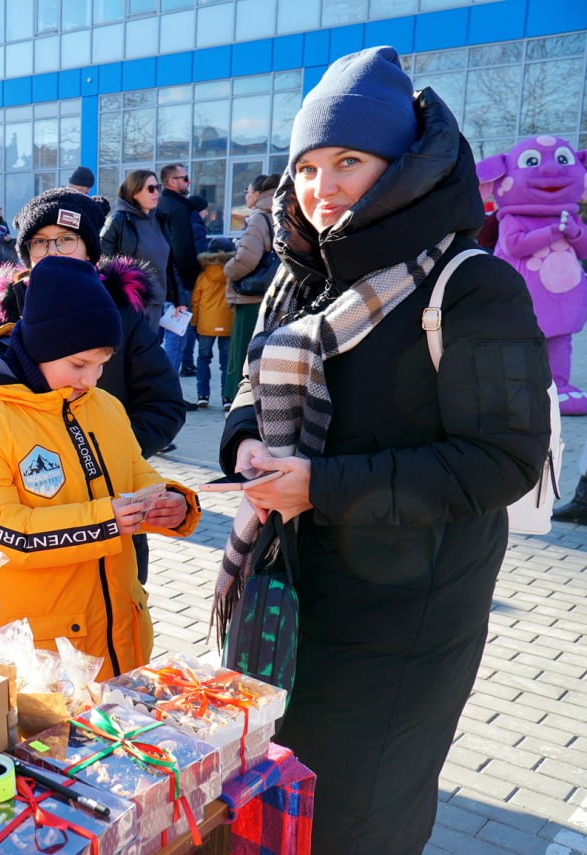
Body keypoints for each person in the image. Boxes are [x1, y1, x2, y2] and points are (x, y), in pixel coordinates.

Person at [215, 46, 551, 853]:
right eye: (306, 167)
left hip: (407, 622)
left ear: (404, 164)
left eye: (349, 162)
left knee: (360, 814)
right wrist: (245, 442)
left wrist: (321, 488)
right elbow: (248, 392)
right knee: (272, 796)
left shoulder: (471, 287)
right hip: (292, 592)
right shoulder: (300, 276)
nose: (321, 189)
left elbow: (501, 460)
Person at [0, 255, 200, 679]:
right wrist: (104, 522)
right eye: (79, 365)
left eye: (102, 364)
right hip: (39, 650)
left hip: (119, 634)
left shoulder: (106, 407)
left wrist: (170, 503)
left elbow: (136, 472)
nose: (91, 379)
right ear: (39, 349)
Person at [0, 186, 188, 581]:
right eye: (40, 243)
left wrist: (100, 455)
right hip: (30, 527)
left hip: (113, 513)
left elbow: (165, 404)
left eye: (66, 239)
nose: (53, 252)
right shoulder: (7, 310)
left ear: (89, 249)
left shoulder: (118, 312)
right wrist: (1, 451)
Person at [101, 170, 193, 407]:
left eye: (158, 188)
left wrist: (179, 297)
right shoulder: (120, 219)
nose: (156, 193)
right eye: (150, 189)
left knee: (145, 363)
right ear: (134, 192)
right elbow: (102, 262)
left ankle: (140, 419)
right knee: (130, 363)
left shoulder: (159, 219)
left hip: (156, 306)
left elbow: (169, 263)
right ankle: (121, 417)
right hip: (130, 306)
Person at [222, 173, 280, 405]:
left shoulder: (259, 218)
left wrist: (228, 269)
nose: (246, 196)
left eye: (247, 191)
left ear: (257, 194)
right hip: (275, 293)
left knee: (243, 351)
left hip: (251, 295)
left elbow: (247, 257)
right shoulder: (286, 212)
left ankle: (239, 401)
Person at [157, 164, 204, 377]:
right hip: (178, 284)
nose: (189, 182)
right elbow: (182, 250)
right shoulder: (177, 209)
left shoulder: (162, 205)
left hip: (160, 282)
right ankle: (169, 394)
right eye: (185, 178)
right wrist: (192, 279)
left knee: (157, 340)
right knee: (176, 339)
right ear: (172, 181)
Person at [190, 236, 235, 410]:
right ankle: (227, 397)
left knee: (203, 359)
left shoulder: (203, 275)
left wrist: (194, 322)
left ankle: (203, 396)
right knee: (226, 363)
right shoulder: (234, 273)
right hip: (227, 321)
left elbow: (195, 300)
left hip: (206, 324)